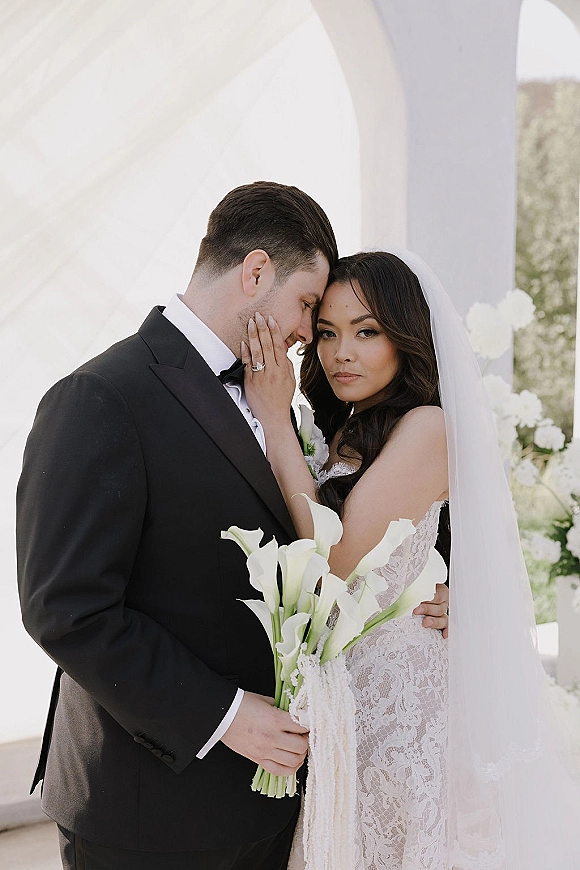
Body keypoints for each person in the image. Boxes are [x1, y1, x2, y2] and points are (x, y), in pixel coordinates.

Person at [16, 184, 448, 870]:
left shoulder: (289, 404)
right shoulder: (102, 396)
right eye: (310, 307)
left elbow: (383, 524)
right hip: (153, 807)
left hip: (288, 799)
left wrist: (459, 587)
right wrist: (225, 716)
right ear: (254, 273)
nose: (313, 337)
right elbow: (68, 611)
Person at [242, 249, 580, 869]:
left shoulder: (426, 427)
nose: (341, 351)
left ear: (406, 340)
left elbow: (337, 558)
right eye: (326, 332)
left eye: (366, 332)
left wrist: (272, 419)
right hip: (350, 703)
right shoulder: (349, 430)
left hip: (405, 714)